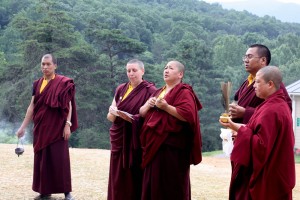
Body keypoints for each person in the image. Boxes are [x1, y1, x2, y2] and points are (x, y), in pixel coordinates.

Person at [220, 66, 295, 200]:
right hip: (274, 172)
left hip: (268, 175)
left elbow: (261, 147)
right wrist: (235, 127)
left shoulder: (272, 110)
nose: (254, 85)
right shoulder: (272, 104)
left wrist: (241, 132)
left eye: (258, 82)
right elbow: (257, 132)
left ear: (270, 84)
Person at [16, 54, 78, 200]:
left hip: (58, 127)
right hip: (41, 127)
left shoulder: (63, 83)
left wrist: (67, 124)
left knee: (60, 159)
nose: (45, 67)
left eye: (48, 64)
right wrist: (23, 127)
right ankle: (44, 191)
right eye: (43, 64)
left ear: (55, 65)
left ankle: (66, 191)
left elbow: (68, 105)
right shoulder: (37, 84)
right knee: (42, 159)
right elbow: (32, 106)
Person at [139, 60, 202, 200]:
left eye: (171, 68)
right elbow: (142, 113)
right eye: (165, 67)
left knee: (171, 187)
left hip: (172, 149)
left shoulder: (184, 92)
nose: (166, 70)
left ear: (180, 74)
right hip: (153, 146)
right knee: (153, 185)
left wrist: (166, 107)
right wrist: (148, 105)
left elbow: (188, 116)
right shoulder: (158, 92)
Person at [106, 59, 156, 200]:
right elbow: (110, 117)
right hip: (119, 138)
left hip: (135, 140)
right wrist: (114, 112)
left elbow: (152, 118)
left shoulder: (150, 91)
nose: (131, 74)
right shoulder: (121, 89)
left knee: (133, 176)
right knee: (117, 175)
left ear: (142, 71)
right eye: (128, 71)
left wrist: (131, 119)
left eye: (134, 70)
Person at [229, 44, 292, 124]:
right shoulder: (248, 81)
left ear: (263, 60)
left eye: (250, 56)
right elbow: (237, 100)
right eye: (245, 57)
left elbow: (284, 111)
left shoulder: (272, 83)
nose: (246, 60)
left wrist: (246, 113)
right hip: (242, 132)